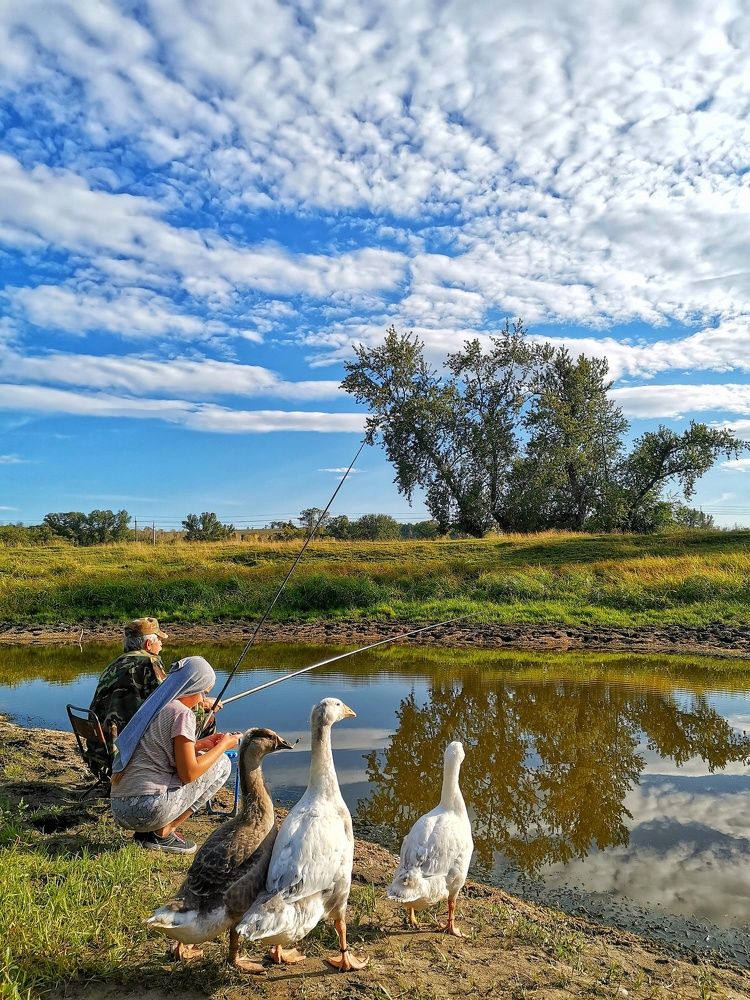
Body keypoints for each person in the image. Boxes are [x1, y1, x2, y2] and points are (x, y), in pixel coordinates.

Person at [110, 655, 240, 854]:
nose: (204, 700)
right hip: (144, 810)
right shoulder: (182, 714)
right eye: (203, 693)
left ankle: (152, 832)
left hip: (119, 808)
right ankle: (163, 833)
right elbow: (189, 773)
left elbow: (157, 750)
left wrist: (200, 745)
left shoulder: (155, 706)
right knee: (222, 764)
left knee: (206, 755)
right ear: (192, 687)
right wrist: (223, 745)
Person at [86, 617, 219, 782]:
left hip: (98, 752)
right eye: (160, 640)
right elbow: (167, 702)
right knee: (207, 718)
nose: (162, 645)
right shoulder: (149, 662)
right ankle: (189, 767)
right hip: (122, 756)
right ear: (148, 645)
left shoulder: (114, 665)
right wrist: (204, 705)